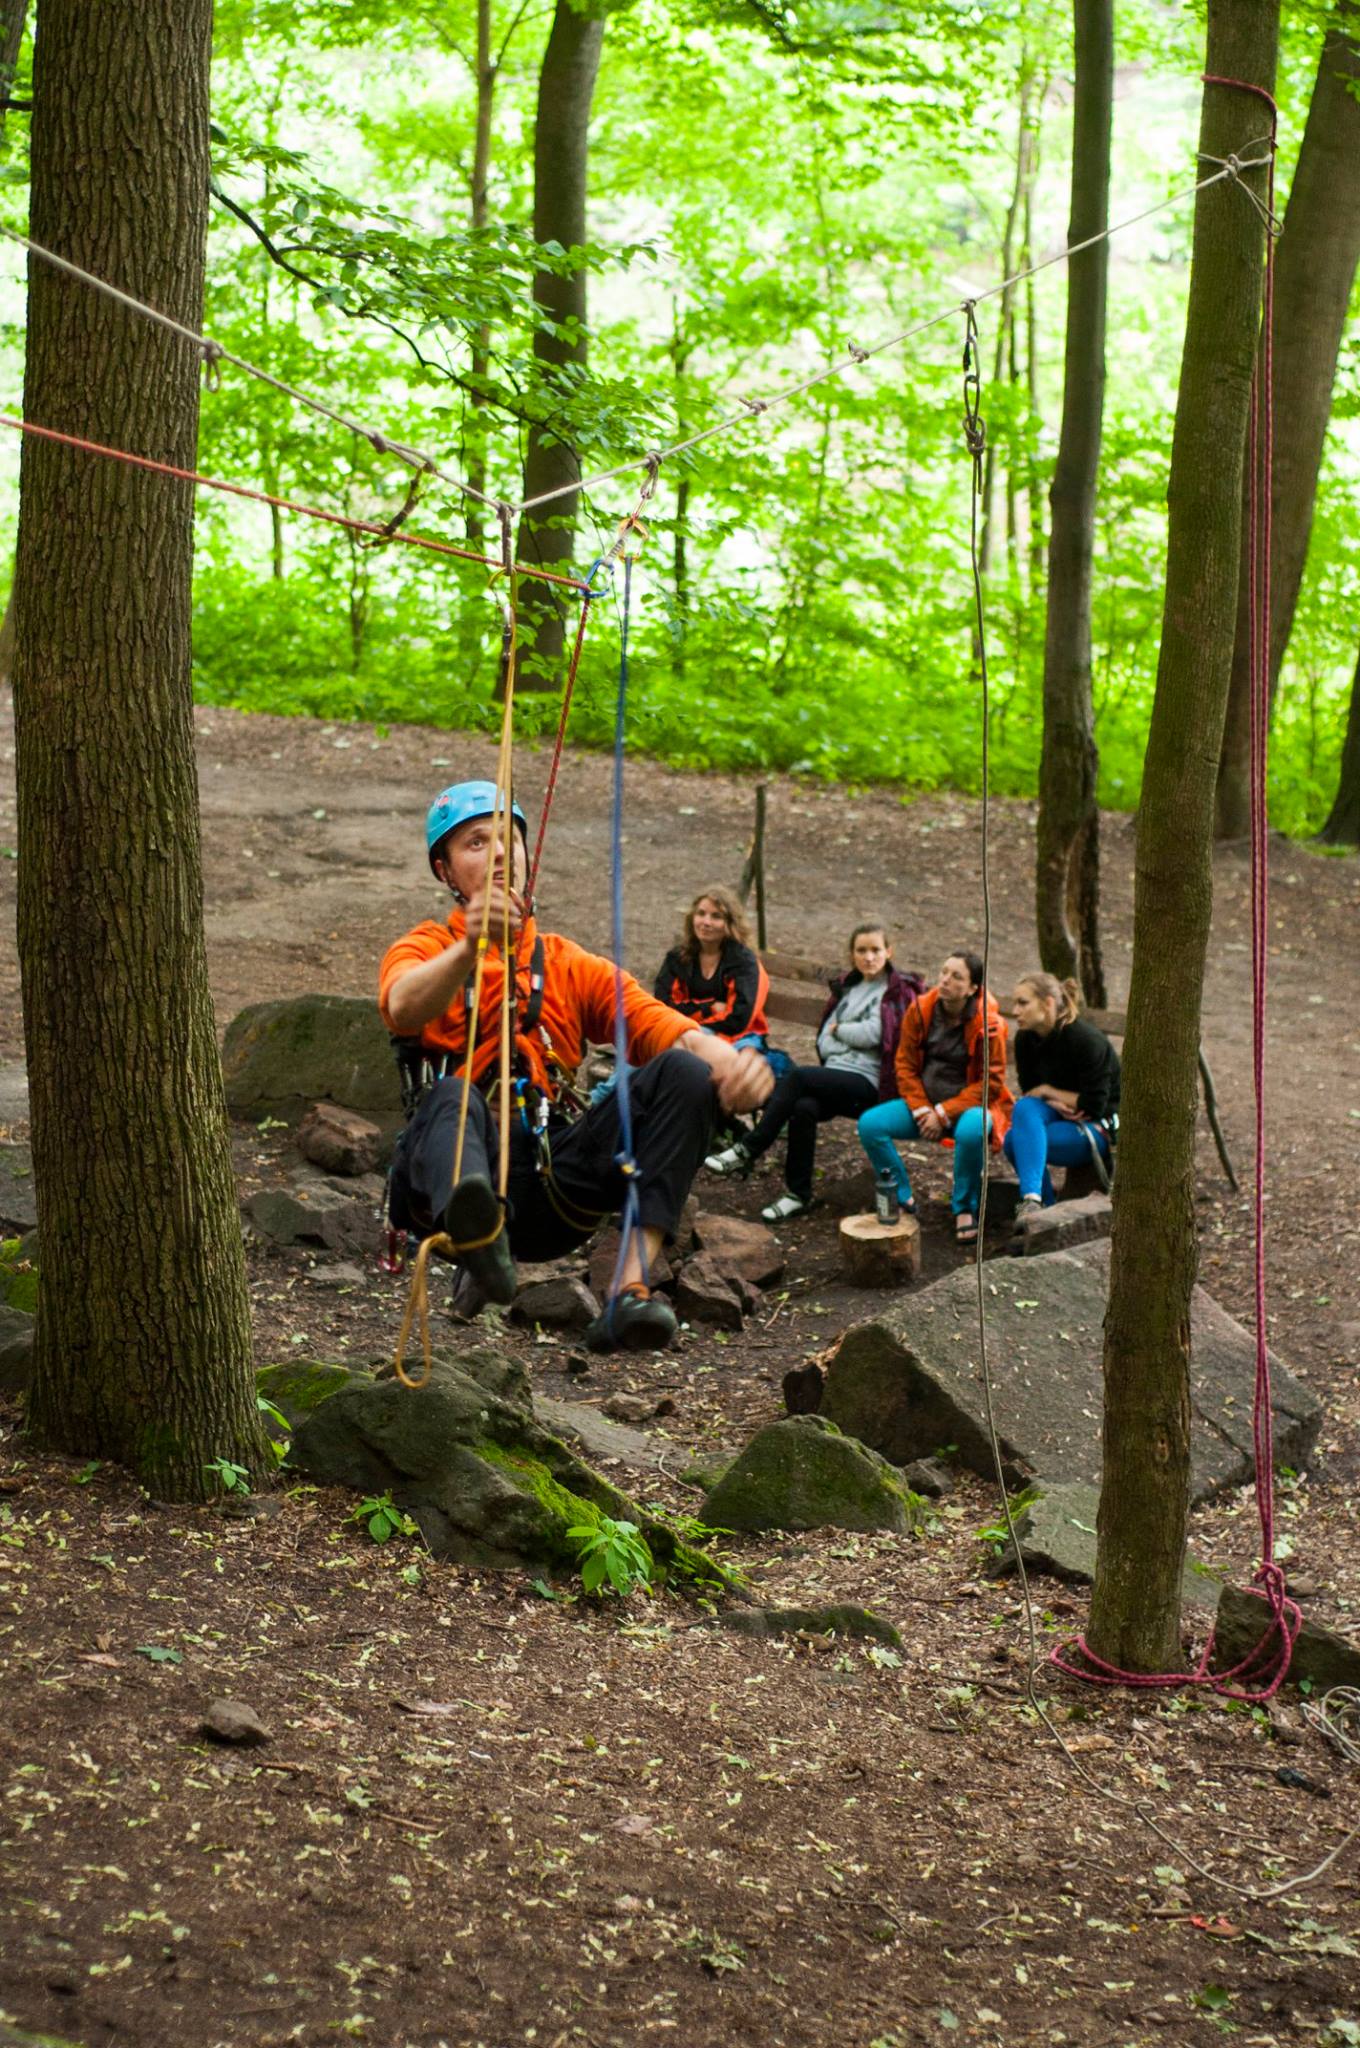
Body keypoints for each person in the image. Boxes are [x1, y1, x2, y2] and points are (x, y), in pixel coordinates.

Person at [379, 782, 773, 1353]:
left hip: (549, 1183)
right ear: (445, 869)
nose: (495, 854)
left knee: (685, 1075)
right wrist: (468, 948)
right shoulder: (423, 947)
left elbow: (656, 1023)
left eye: (506, 840)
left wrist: (731, 1063)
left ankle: (627, 1293)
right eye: (474, 843)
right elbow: (402, 1006)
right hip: (443, 1177)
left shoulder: (566, 963)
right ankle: (479, 1241)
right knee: (455, 1097)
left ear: (525, 856)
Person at [704, 923, 920, 1223]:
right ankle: (798, 1194)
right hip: (836, 1077)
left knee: (799, 1077)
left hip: (870, 1084)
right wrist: (841, 1035)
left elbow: (874, 1034)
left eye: (875, 950)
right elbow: (823, 1040)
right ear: (852, 954)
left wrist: (840, 1030)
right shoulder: (850, 988)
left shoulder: (895, 992)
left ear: (889, 952)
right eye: (861, 950)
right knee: (803, 1108)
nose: (869, 957)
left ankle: (749, 1148)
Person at [856, 950, 1012, 1245]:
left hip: (971, 1107)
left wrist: (943, 1113)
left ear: (972, 988)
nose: (945, 980)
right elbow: (905, 1065)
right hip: (924, 1106)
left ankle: (964, 1207)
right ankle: (901, 1197)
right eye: (944, 972)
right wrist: (922, 1109)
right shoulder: (922, 1009)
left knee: (970, 1130)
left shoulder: (989, 1024)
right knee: (871, 1124)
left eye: (957, 976)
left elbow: (991, 1083)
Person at [1003, 970, 1120, 1224]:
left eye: (1023, 1003)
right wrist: (1055, 1101)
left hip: (1096, 1128)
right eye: (1015, 1003)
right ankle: (1035, 1203)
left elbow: (1094, 1105)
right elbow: (1029, 1089)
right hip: (1057, 1114)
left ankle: (1039, 1208)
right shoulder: (1025, 1040)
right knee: (1024, 1110)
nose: (1015, 1011)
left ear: (1048, 1003)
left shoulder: (1086, 1041)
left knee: (1015, 1141)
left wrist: (1049, 1092)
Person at [653, 886, 770, 1053]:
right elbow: (663, 1007)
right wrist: (711, 1008)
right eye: (701, 914)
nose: (706, 922)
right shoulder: (677, 958)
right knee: (651, 1040)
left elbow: (738, 1019)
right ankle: (618, 1081)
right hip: (688, 1032)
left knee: (678, 1046)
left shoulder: (744, 962)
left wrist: (690, 1020)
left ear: (730, 924)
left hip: (740, 1038)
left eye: (716, 917)